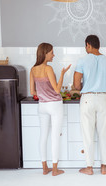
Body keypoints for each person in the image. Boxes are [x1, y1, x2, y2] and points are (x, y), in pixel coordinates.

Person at [73, 35, 106, 175]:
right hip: (103, 99)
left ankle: (89, 167)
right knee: (104, 133)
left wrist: (86, 85)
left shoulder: (82, 61)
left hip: (87, 98)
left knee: (88, 134)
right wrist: (102, 84)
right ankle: (104, 167)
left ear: (88, 45)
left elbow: (76, 84)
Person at [30, 42, 71, 176]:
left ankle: (44, 168)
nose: (54, 55)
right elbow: (58, 90)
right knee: (55, 137)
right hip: (55, 105)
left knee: (43, 136)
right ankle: (54, 169)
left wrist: (43, 92)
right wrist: (63, 74)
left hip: (42, 106)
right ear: (45, 53)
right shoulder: (48, 69)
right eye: (52, 52)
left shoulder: (33, 69)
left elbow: (32, 92)